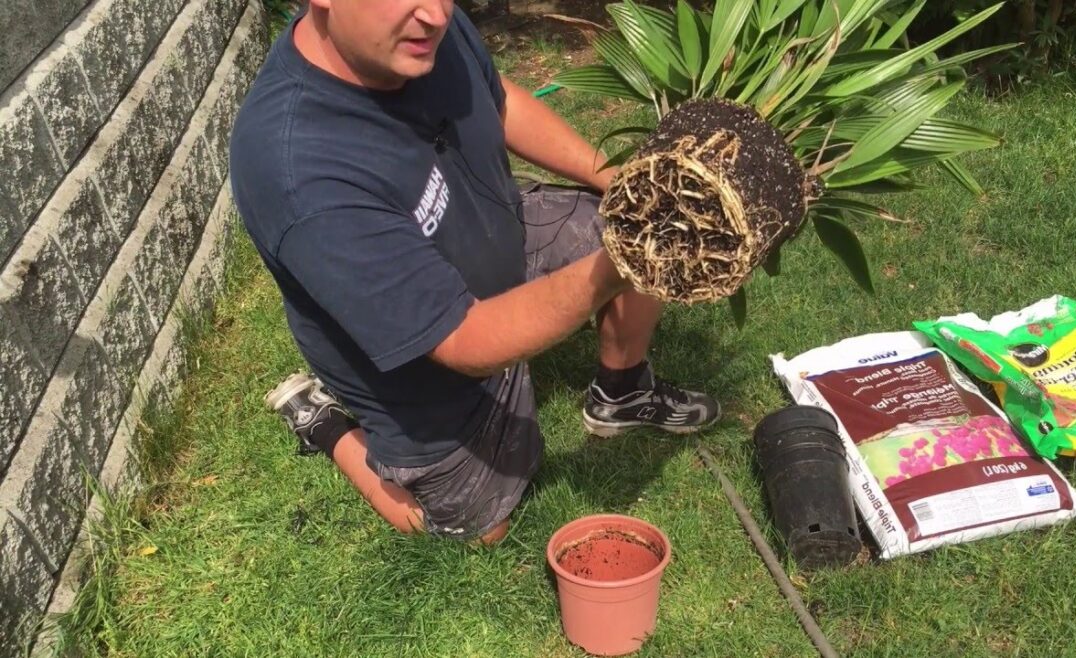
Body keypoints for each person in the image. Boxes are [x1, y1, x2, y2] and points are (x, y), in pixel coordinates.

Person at [229, 0, 719, 544]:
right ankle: (322, 422)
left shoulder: (420, 31)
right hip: (430, 364)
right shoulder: (300, 169)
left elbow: (497, 96)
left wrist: (622, 183)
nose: (438, 15)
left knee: (624, 219)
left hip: (496, 238)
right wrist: (627, 258)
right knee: (476, 529)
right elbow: (463, 339)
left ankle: (622, 392)